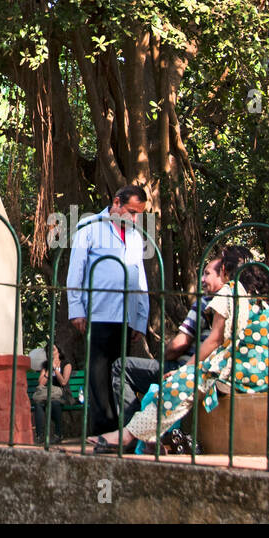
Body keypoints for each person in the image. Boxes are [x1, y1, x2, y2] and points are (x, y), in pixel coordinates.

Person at [88, 259, 269, 452]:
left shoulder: (228, 296)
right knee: (180, 380)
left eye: (207, 273)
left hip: (232, 373)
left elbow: (212, 340)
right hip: (263, 378)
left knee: (175, 382)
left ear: (226, 272)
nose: (202, 278)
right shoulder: (268, 305)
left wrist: (183, 369)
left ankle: (130, 435)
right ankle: (140, 435)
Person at [111, 245, 251, 426]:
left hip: (193, 367)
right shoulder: (247, 301)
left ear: (222, 273)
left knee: (121, 367)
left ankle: (131, 430)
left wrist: (175, 364)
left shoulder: (209, 302)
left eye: (207, 274)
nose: (202, 279)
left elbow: (181, 343)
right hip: (222, 369)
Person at [65, 184, 150, 435]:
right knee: (99, 375)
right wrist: (76, 308)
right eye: (131, 211)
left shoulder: (134, 235)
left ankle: (119, 430)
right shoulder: (90, 227)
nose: (134, 218)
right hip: (98, 312)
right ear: (116, 203)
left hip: (126, 316)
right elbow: (75, 270)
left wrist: (141, 319)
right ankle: (102, 431)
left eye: (138, 214)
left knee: (119, 372)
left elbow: (140, 278)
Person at [31, 344, 72, 445]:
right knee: (38, 404)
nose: (51, 352)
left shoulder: (66, 364)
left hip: (61, 394)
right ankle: (40, 436)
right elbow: (41, 383)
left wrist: (56, 370)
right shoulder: (45, 365)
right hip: (46, 394)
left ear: (58, 351)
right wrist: (50, 369)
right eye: (48, 350)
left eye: (53, 349)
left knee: (54, 403)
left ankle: (58, 434)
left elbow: (63, 382)